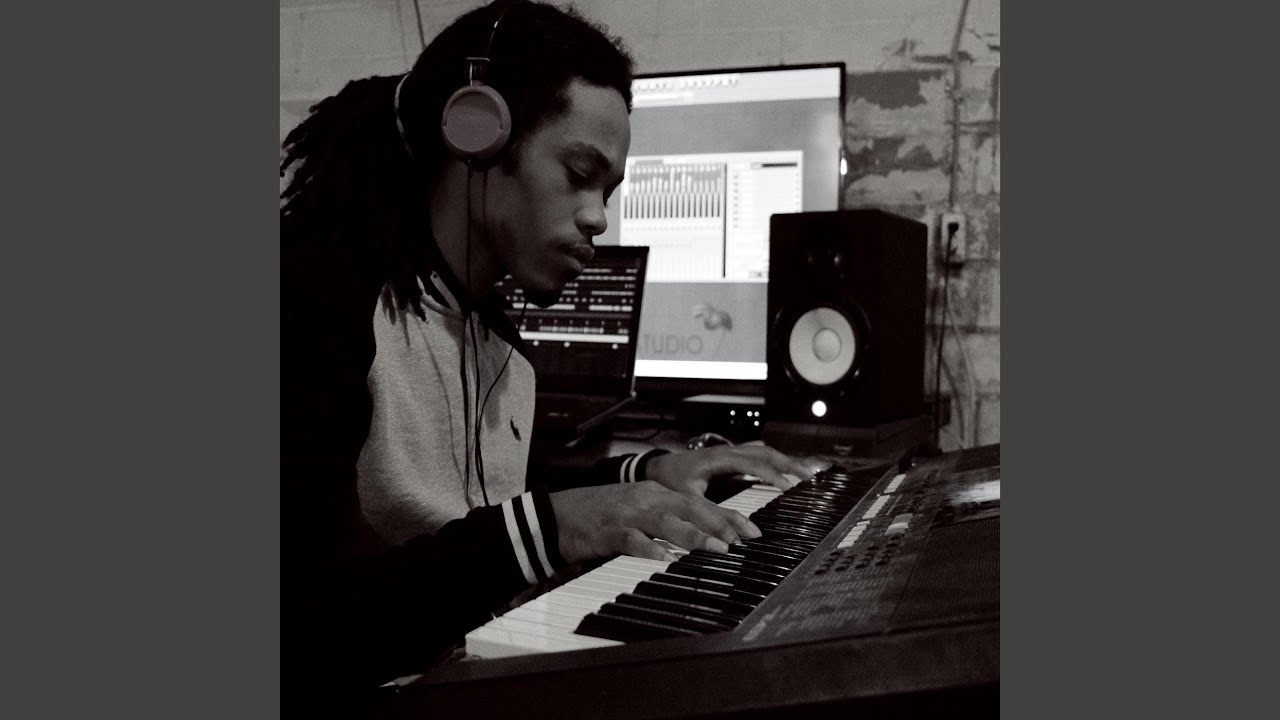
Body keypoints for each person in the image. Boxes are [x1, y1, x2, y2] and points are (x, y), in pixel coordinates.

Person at [280, 1, 818, 713]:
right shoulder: (309, 304)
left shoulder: (499, 345)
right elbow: (293, 623)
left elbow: (496, 510)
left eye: (608, 190)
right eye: (578, 173)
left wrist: (644, 474)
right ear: (477, 137)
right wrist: (553, 527)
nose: (599, 217)